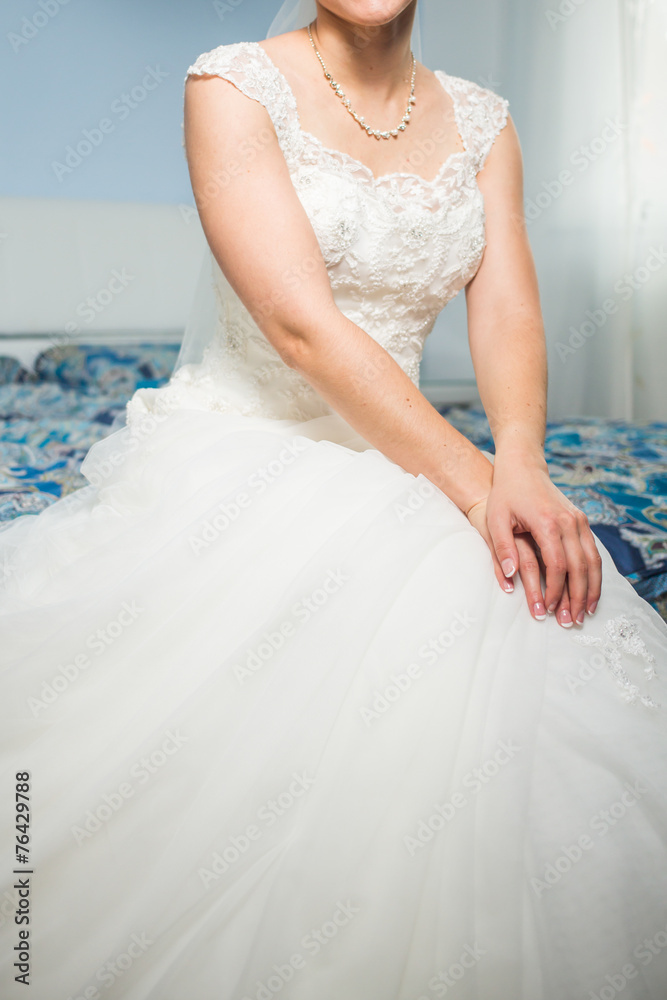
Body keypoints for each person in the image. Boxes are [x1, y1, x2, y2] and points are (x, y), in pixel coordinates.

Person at [1, 2, 666, 998]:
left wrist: (522, 463)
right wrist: (476, 485)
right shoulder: (231, 87)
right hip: (250, 448)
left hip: (416, 454)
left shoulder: (483, 121)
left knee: (566, 628)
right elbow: (301, 327)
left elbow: (507, 306)